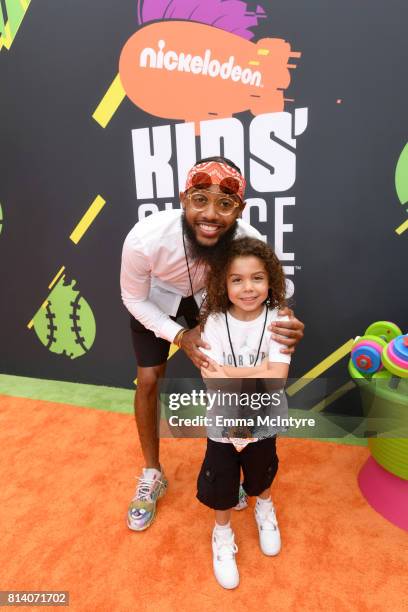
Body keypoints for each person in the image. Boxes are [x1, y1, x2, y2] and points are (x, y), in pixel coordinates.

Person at [120, 156, 304, 532]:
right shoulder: (144, 239)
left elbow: (277, 287)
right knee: (150, 378)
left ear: (239, 209)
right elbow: (133, 299)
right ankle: (152, 473)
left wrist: (285, 320)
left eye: (225, 204)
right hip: (155, 299)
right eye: (200, 199)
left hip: (211, 299)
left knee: (228, 379)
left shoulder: (248, 238)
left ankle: (230, 465)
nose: (211, 214)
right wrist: (179, 335)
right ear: (183, 198)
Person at [198, 237, 291, 589]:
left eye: (257, 278)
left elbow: (278, 380)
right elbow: (213, 382)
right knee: (221, 481)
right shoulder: (214, 322)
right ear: (223, 283)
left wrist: (230, 372)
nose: (248, 288)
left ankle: (263, 508)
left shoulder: (280, 318)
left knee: (261, 472)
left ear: (271, 281)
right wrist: (261, 369)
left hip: (265, 422)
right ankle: (222, 535)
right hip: (222, 424)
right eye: (237, 279)